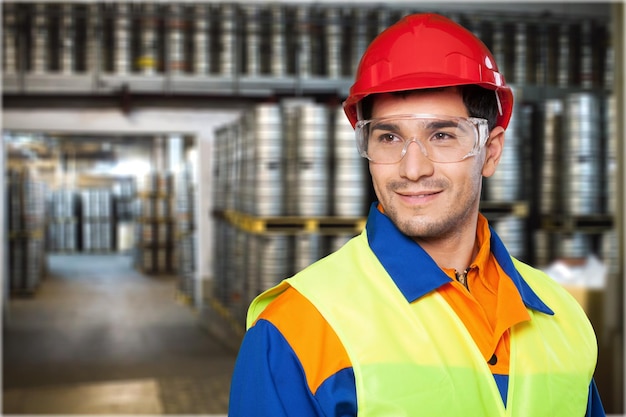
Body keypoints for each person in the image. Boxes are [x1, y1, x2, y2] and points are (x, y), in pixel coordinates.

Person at [228, 12, 605, 416]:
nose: (412, 169)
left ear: (491, 151)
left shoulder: (562, 318)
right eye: (389, 137)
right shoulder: (296, 329)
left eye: (441, 135)